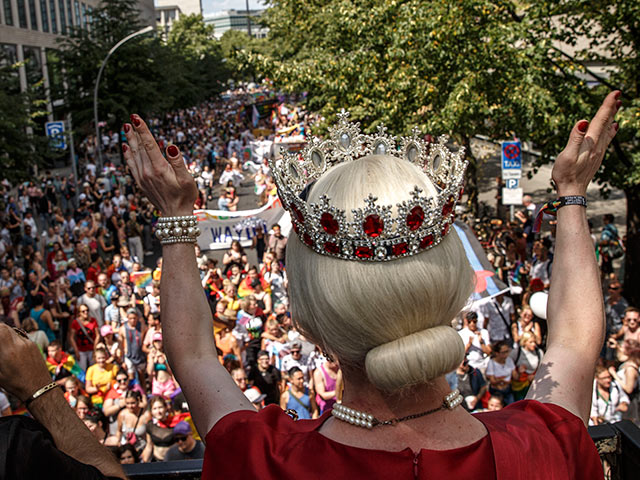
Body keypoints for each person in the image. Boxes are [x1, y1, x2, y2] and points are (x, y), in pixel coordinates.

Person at [112, 94, 618, 477]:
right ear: (454, 292)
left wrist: (176, 218)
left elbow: (193, 355)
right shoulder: (541, 449)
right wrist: (571, 194)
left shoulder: (262, 460)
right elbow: (573, 342)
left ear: (308, 322)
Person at [141, 396, 175, 462]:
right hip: (157, 461)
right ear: (151, 411)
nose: (158, 411)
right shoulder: (150, 425)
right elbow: (149, 445)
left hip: (173, 461)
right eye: (155, 409)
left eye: (160, 407)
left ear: (165, 408)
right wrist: (144, 462)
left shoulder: (174, 423)